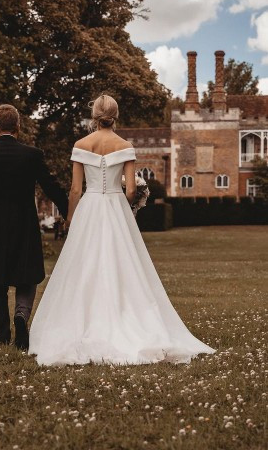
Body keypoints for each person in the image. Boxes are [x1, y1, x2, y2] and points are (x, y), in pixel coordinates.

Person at [29, 95, 216, 365]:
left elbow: (75, 189)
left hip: (89, 207)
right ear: (116, 115)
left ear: (94, 115)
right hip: (116, 207)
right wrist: (120, 207)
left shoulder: (81, 145)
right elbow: (130, 189)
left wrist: (70, 218)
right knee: (124, 265)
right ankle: (128, 319)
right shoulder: (125, 145)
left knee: (83, 265)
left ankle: (81, 323)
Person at [0, 104, 68, 350]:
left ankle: (2, 334)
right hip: (24, 224)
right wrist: (70, 211)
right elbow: (51, 187)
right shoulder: (32, 155)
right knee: (26, 276)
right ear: (18, 126)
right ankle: (21, 315)